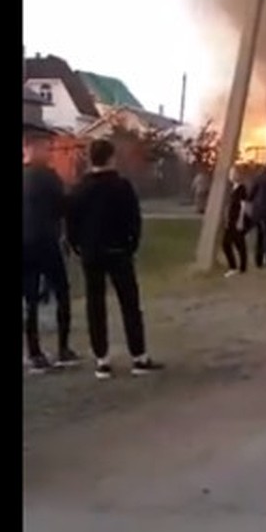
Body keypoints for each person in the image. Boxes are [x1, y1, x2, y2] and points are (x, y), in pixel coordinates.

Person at [66, 138, 164, 379]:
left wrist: (77, 246)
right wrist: (131, 245)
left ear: (90, 159)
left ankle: (102, 361)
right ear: (111, 158)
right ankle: (139, 357)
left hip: (91, 253)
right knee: (130, 304)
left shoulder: (79, 189)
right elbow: (134, 219)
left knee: (95, 305)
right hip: (119, 252)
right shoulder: (122, 187)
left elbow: (71, 223)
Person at [22, 129, 79, 374]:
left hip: (24, 245)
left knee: (30, 299)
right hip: (46, 242)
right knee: (62, 292)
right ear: (33, 148)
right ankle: (63, 348)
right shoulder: (49, 177)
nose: (49, 152)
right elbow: (61, 208)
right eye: (46, 148)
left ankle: (34, 352)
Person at [222, 166, 251, 278]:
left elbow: (243, 206)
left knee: (234, 244)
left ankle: (236, 267)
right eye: (230, 173)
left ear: (238, 175)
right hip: (230, 220)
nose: (231, 176)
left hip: (237, 219)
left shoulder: (241, 188)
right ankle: (237, 267)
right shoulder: (232, 188)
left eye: (233, 173)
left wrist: (240, 220)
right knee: (232, 244)